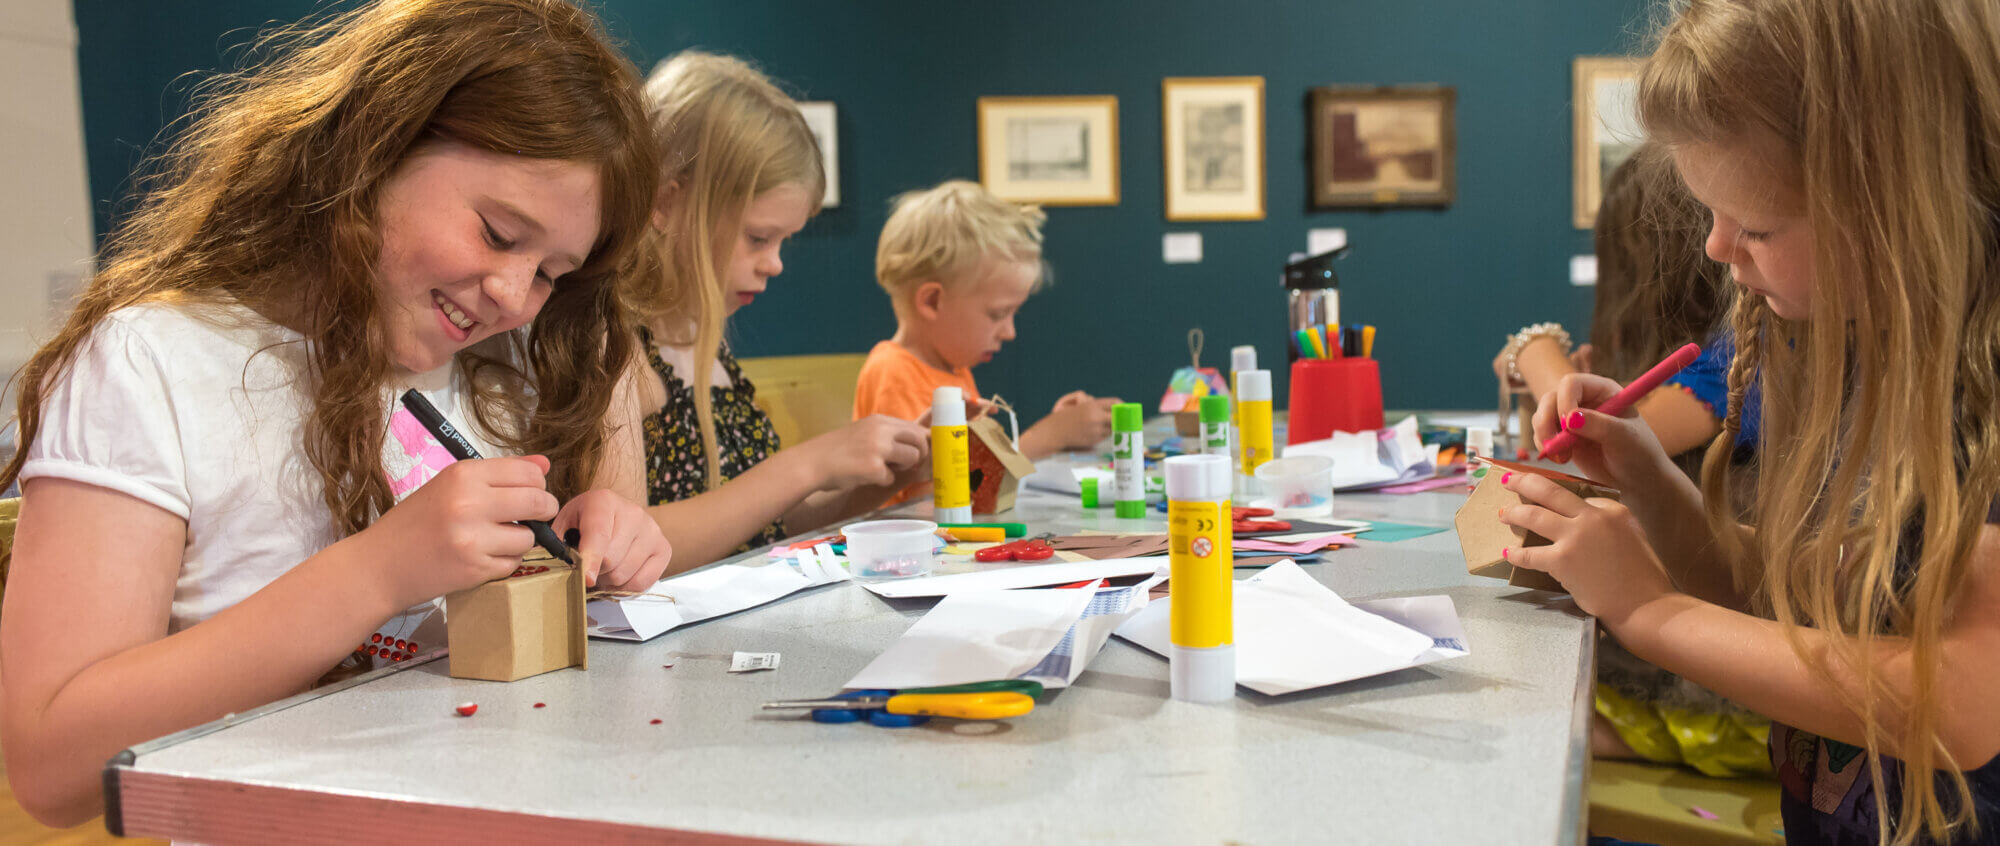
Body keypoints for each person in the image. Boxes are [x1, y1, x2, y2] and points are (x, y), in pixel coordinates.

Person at [0, 0, 670, 825]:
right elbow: (53, 767)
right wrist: (378, 573)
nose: (511, 295)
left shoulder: (503, 367)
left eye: (548, 275)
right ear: (375, 150)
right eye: (499, 234)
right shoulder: (148, 365)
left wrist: (592, 540)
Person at [1503, 0, 2000, 841]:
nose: (1715, 248)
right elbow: (1801, 610)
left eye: (1757, 226)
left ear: (1895, 205)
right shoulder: (1861, 345)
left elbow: (1958, 703)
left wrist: (1650, 614)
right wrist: (1650, 484)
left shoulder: (1978, 389)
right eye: (1710, 212)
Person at [601, 51, 928, 571]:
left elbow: (762, 523)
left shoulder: (701, 338)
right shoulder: (613, 344)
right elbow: (625, 548)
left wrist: (885, 479)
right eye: (758, 238)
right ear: (665, 203)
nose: (775, 264)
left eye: (782, 242)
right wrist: (809, 463)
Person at [855, 179, 1118, 460]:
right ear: (932, 301)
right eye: (998, 314)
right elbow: (947, 480)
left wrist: (1061, 428)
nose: (1010, 332)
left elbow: (977, 465)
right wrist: (1050, 435)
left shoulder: (953, 369)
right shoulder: (895, 375)